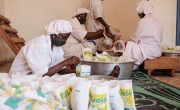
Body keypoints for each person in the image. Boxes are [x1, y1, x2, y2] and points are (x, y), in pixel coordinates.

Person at [9, 20, 80, 77]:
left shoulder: (57, 47)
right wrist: (65, 62)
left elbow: (59, 69)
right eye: (63, 37)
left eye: (66, 38)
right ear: (54, 34)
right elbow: (43, 74)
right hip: (20, 77)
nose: (65, 40)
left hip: (34, 75)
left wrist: (75, 70)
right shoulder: (39, 45)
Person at [115, 0, 163, 69]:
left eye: (139, 14)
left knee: (127, 44)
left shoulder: (143, 21)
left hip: (147, 51)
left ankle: (125, 67)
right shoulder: (158, 22)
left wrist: (125, 42)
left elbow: (134, 38)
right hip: (157, 51)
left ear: (142, 12)